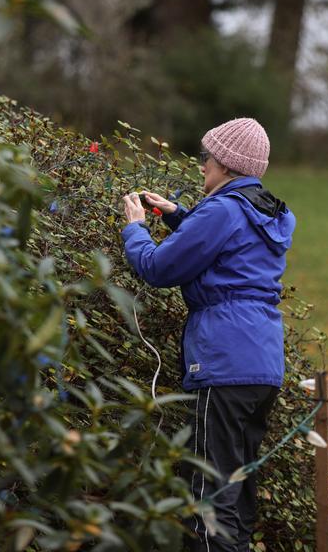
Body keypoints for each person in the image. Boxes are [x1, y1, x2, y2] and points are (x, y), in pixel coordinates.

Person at [122, 118, 296, 552]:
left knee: (208, 499)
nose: (202, 167)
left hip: (222, 363)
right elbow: (230, 252)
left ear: (225, 164)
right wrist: (179, 216)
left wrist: (135, 229)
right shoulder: (270, 212)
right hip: (262, 367)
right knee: (235, 496)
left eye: (207, 159)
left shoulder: (222, 210)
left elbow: (159, 268)